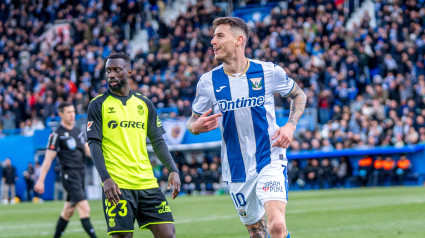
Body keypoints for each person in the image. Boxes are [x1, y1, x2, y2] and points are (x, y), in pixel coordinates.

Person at [187, 17, 306, 238]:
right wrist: (196, 126)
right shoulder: (207, 82)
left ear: (239, 40)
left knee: (277, 227)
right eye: (213, 36)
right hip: (236, 168)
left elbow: (299, 95)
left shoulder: (268, 71)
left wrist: (290, 126)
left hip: (268, 157)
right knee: (257, 234)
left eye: (219, 35)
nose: (212, 41)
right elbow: (191, 122)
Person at [86, 52, 181, 238]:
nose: (111, 74)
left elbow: (158, 141)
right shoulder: (97, 105)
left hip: (147, 182)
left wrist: (173, 169)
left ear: (129, 72)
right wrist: (105, 179)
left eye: (116, 70)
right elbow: (94, 144)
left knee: (168, 234)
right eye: (108, 71)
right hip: (117, 185)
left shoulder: (144, 104)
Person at [34, 102, 97, 238]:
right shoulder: (56, 135)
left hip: (80, 175)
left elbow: (88, 152)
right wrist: (40, 181)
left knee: (68, 212)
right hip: (70, 176)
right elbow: (48, 159)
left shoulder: (78, 132)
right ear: (61, 114)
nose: (72, 115)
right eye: (68, 112)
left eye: (73, 111)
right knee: (85, 209)